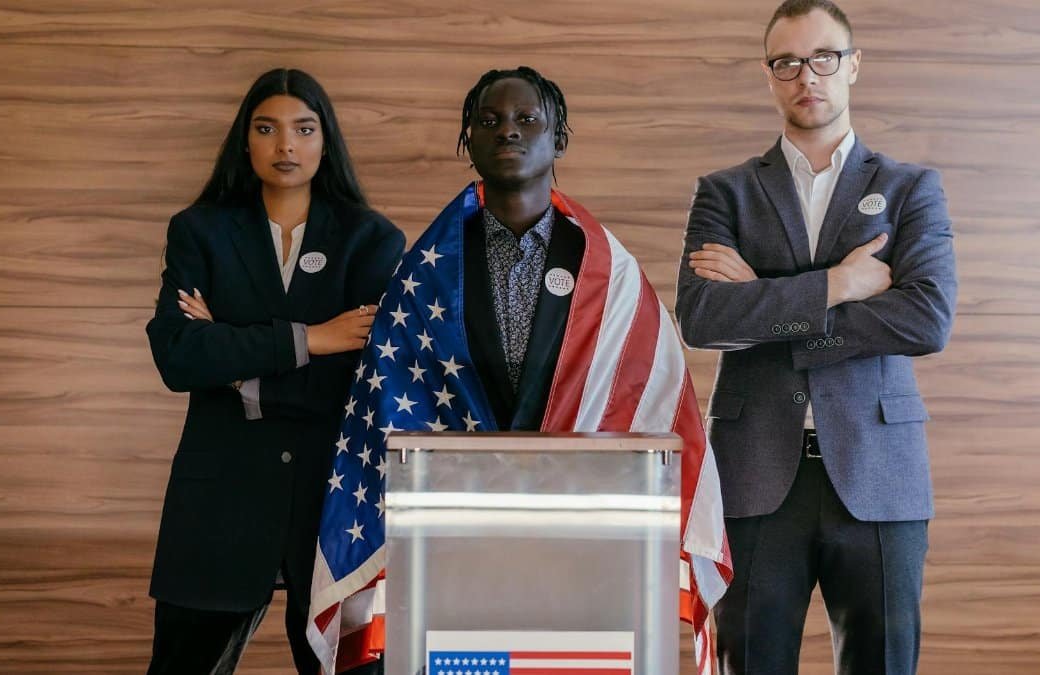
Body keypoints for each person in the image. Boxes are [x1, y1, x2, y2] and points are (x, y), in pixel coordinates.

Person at [305, 66, 732, 675]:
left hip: (580, 540)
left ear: (558, 138)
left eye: (528, 119)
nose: (509, 131)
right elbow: (391, 405)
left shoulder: (610, 275)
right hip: (452, 539)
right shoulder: (425, 272)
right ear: (468, 143)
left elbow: (657, 403)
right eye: (490, 121)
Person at [674, 1, 957, 673]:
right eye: (788, 62)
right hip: (754, 470)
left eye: (824, 57)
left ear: (853, 66)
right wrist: (837, 284)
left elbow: (925, 317)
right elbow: (704, 318)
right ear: (770, 76)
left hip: (880, 469)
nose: (808, 76)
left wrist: (768, 302)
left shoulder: (911, 189)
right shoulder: (726, 192)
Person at [145, 67, 404, 675]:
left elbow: (362, 379)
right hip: (221, 492)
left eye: (303, 129)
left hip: (337, 497)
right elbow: (178, 357)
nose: (286, 145)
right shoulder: (199, 231)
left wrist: (234, 360)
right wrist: (314, 338)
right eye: (267, 128)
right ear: (245, 140)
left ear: (324, 140)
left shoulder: (372, 240)